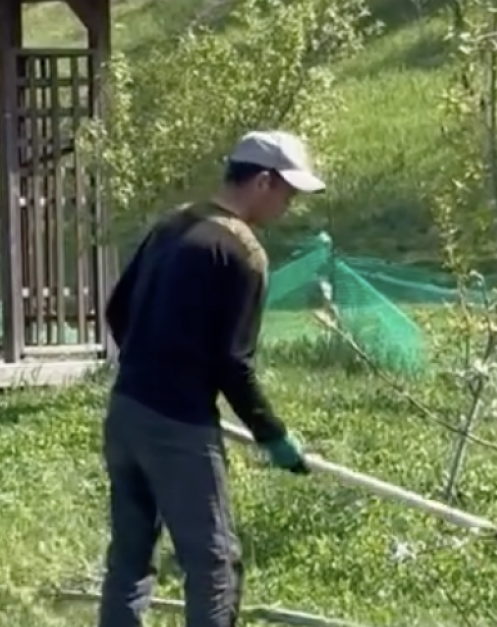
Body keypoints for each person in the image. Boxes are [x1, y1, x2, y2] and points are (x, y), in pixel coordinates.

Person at [96, 130, 326, 627]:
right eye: (288, 193)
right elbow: (233, 364)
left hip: (126, 410)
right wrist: (273, 434)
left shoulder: (172, 224)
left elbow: (118, 309)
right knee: (215, 563)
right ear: (263, 181)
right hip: (178, 427)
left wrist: (151, 362)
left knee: (131, 558)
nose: (289, 206)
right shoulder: (243, 253)